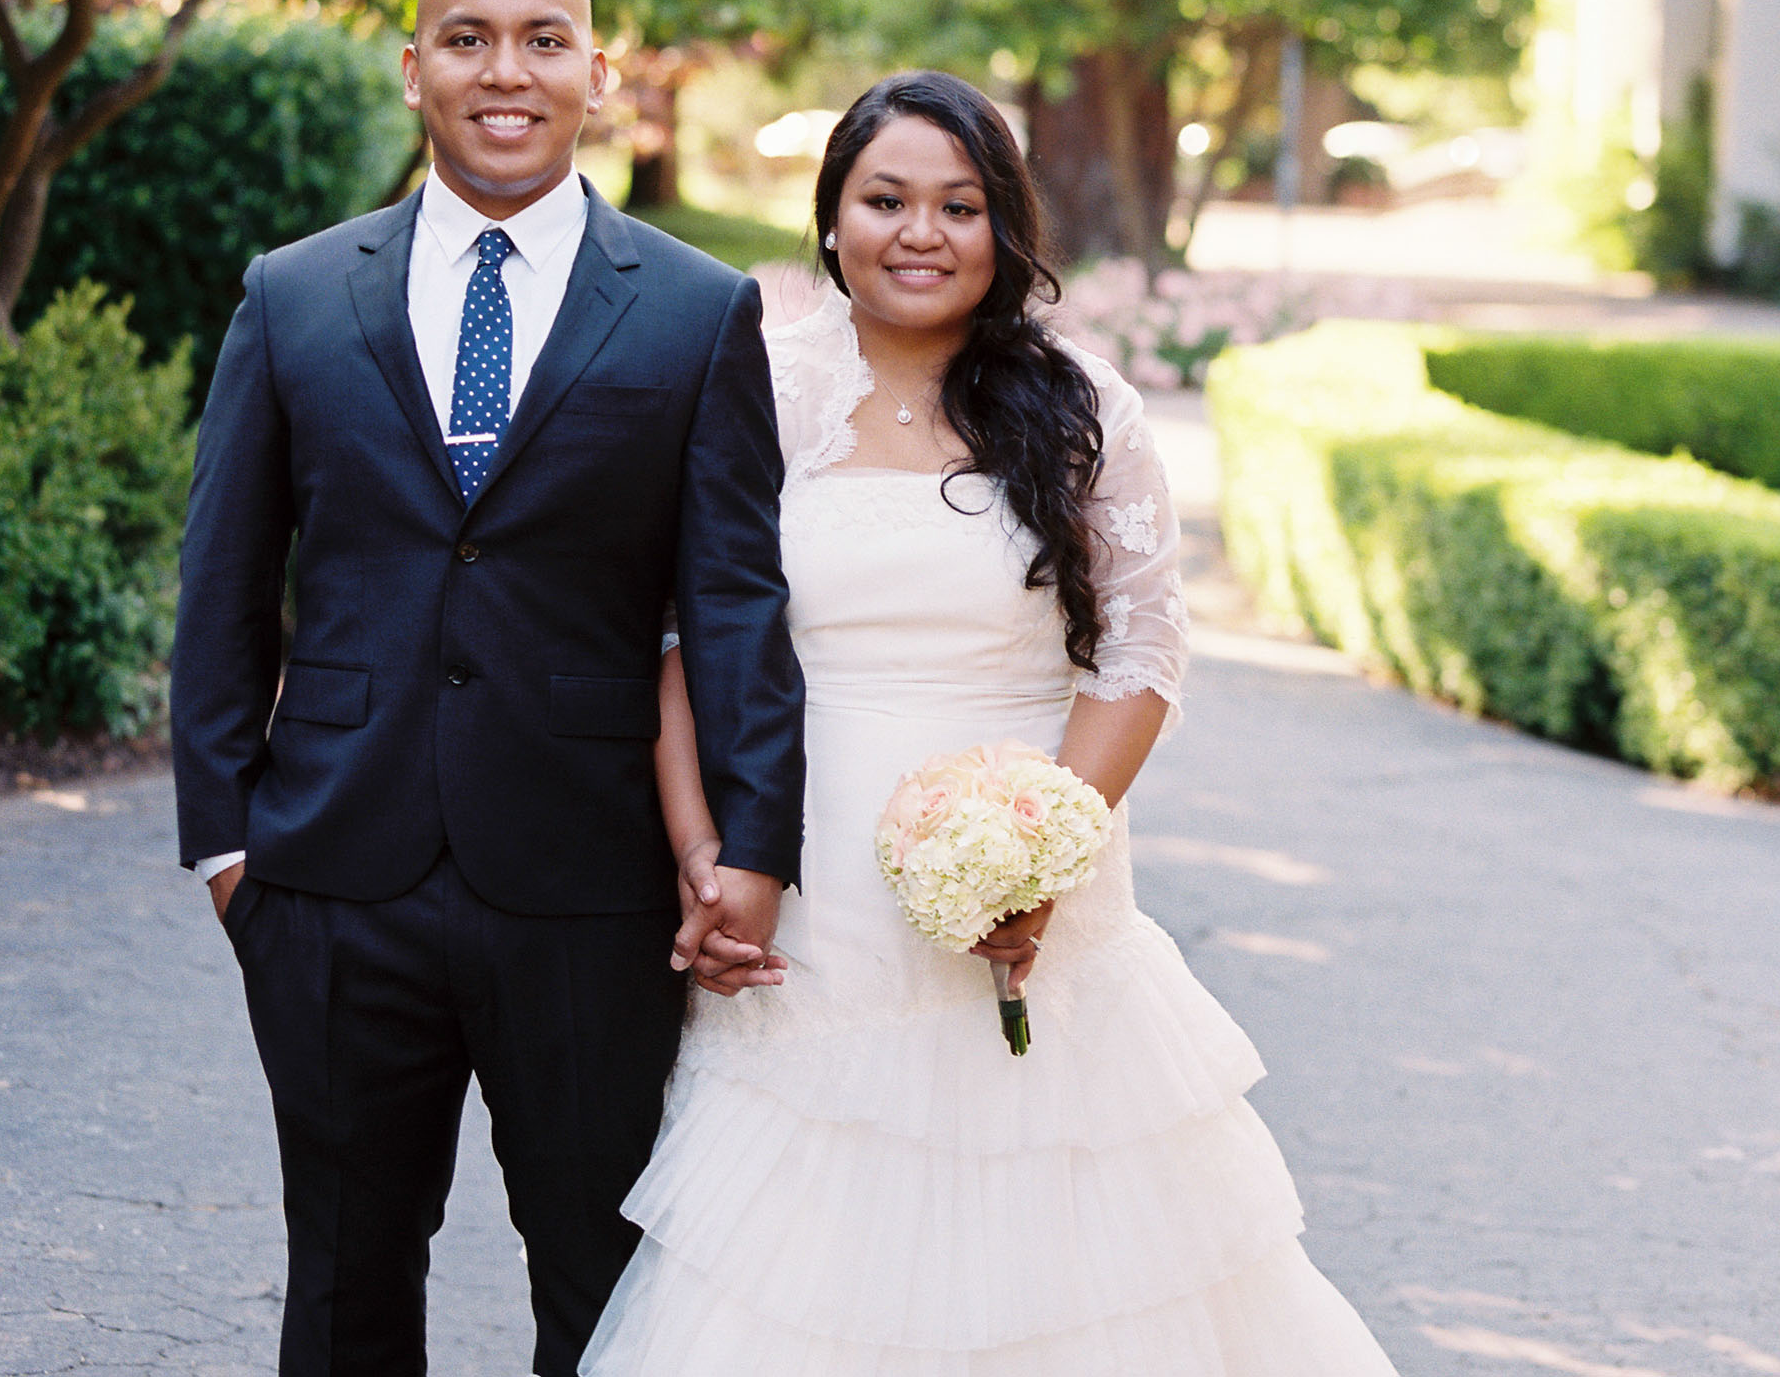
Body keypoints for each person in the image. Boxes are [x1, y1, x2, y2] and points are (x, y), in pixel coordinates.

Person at [583, 71, 1400, 1373]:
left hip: (1033, 889)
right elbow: (681, 639)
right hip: (802, 891)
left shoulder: (1082, 405)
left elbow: (1140, 648)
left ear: (1003, 225)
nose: (921, 233)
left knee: (1057, 1249)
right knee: (810, 1259)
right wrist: (704, 856)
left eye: (960, 206)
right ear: (832, 217)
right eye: (886, 200)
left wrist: (1042, 857)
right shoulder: (752, 391)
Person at [167, 0, 807, 1377]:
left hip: (591, 887)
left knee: (600, 1287)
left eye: (542, 40)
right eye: (467, 39)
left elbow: (733, 603)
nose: (503, 71)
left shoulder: (698, 311)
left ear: (600, 74)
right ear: (414, 70)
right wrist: (226, 846)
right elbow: (225, 582)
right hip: (328, 876)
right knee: (344, 1283)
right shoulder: (293, 294)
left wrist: (757, 846)